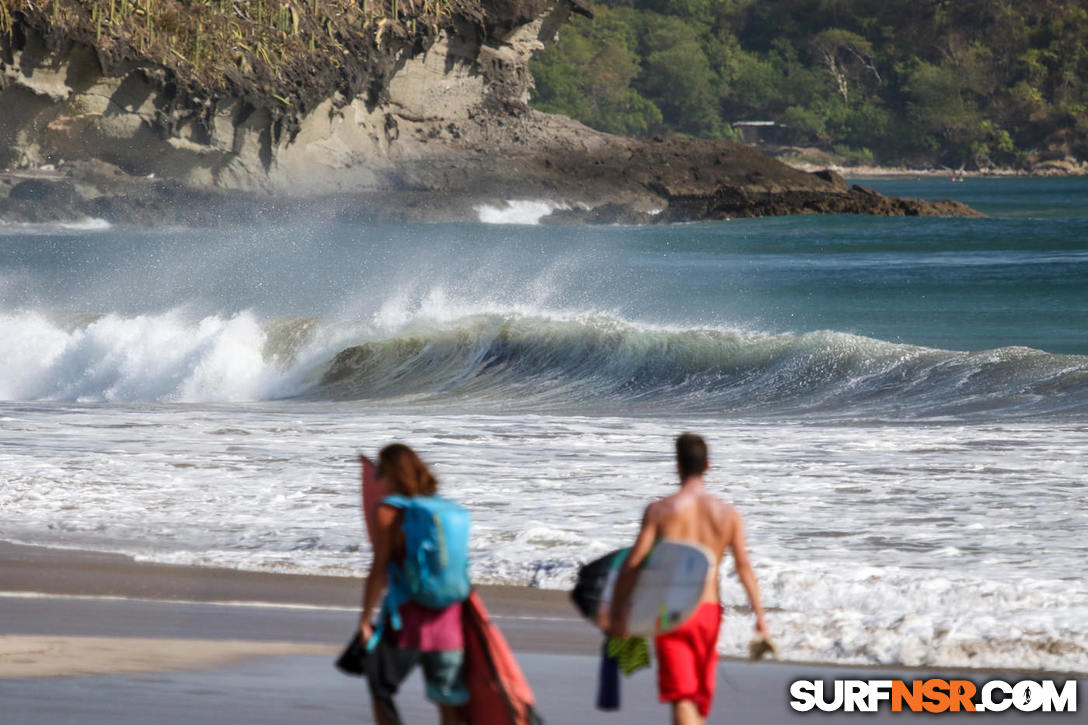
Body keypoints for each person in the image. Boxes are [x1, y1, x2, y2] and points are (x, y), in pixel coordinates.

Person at [607, 433, 768, 725]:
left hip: (671, 612)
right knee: (697, 700)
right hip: (709, 612)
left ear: (677, 465)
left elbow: (633, 563)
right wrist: (760, 617)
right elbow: (744, 567)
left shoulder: (660, 511)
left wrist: (619, 611)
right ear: (707, 465)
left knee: (682, 697)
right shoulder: (727, 514)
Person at [360, 444, 469, 725]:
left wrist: (364, 618)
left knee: (380, 689)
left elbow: (379, 567)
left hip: (406, 620)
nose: (378, 478)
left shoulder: (388, 512)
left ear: (390, 474)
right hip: (449, 621)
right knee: (447, 700)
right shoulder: (444, 510)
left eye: (380, 472)